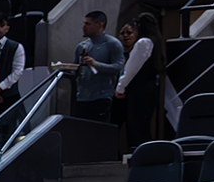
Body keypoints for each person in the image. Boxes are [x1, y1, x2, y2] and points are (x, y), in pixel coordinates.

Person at [117, 14, 166, 144]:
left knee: (136, 125)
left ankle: (137, 151)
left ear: (139, 26)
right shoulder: (157, 41)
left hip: (139, 89)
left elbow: (132, 68)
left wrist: (120, 87)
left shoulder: (143, 42)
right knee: (143, 124)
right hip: (150, 88)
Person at [69, 10, 124, 114]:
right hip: (81, 96)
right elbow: (76, 70)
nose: (84, 27)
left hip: (101, 97)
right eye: (84, 24)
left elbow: (118, 67)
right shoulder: (82, 46)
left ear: (100, 24)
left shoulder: (112, 44)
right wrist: (65, 69)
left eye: (88, 24)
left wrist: (96, 64)